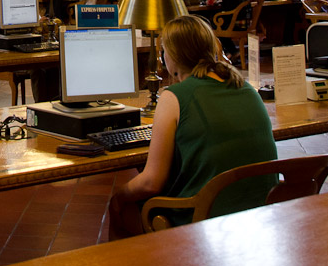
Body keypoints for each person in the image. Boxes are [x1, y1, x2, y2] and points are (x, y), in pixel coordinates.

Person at [108, 15, 276, 235]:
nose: (163, 56)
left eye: (164, 50)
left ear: (173, 56)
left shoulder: (174, 97)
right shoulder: (245, 87)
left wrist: (118, 195)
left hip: (205, 218)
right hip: (262, 212)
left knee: (123, 205)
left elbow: (151, 182)